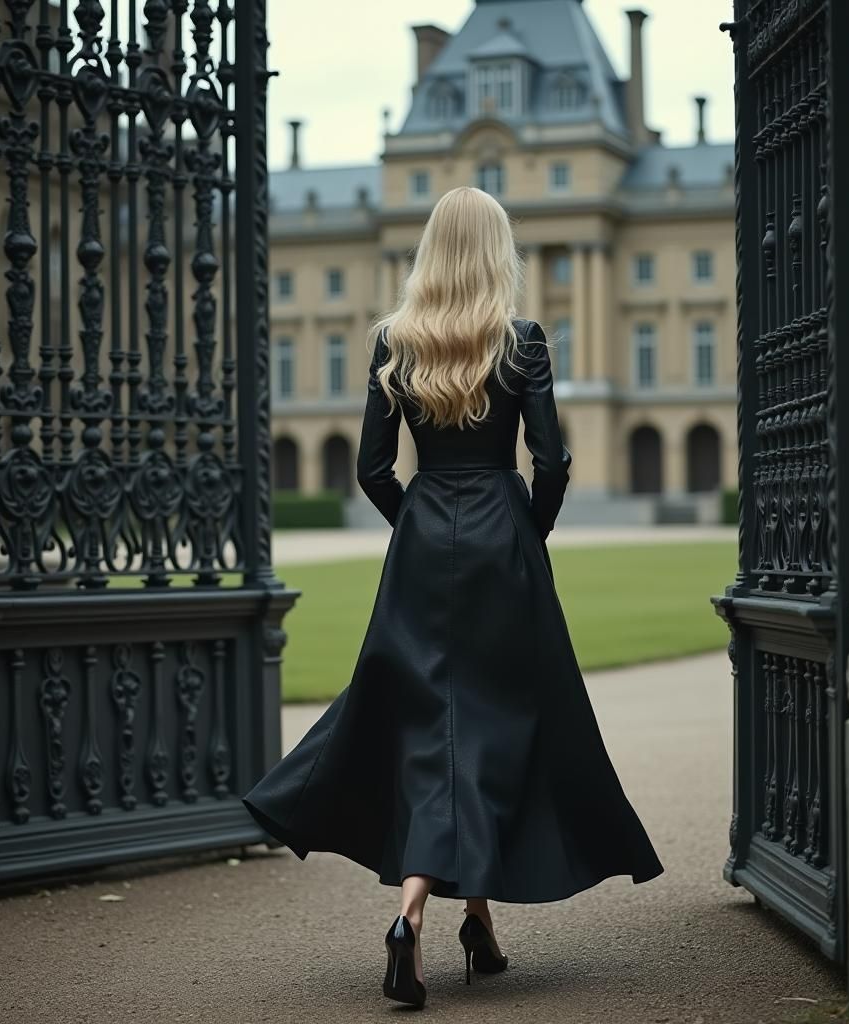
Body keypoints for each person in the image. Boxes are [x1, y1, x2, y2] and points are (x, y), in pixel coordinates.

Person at [242, 186, 664, 1010]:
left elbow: (371, 469)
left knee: (430, 726)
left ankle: (456, 921)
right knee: (499, 726)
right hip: (502, 536)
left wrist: (416, 526)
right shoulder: (521, 339)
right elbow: (552, 462)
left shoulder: (393, 341)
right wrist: (527, 533)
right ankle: (428, 916)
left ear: (429, 252)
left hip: (424, 536)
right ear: (498, 251)